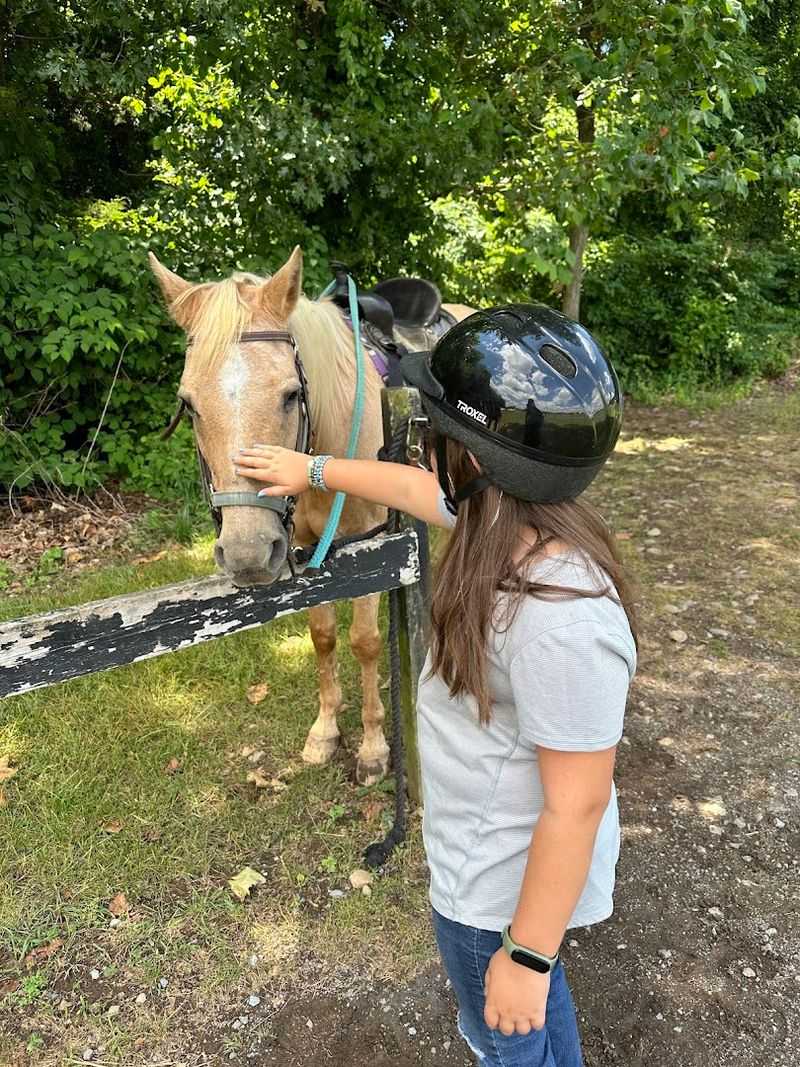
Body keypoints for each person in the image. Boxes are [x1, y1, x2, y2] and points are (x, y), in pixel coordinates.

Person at [235, 304, 638, 1067]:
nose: (428, 454)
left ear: (476, 458)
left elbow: (577, 801)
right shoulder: (504, 520)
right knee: (538, 1024)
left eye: (436, 438)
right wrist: (312, 469)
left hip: (498, 898)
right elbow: (419, 493)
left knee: (508, 1038)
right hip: (492, 871)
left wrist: (524, 955)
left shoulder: (562, 620)